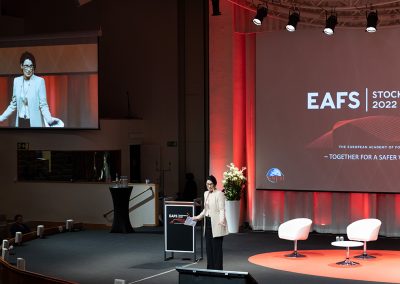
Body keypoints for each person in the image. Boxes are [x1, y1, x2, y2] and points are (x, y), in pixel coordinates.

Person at [0, 51, 61, 127]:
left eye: (31, 66)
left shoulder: (39, 81)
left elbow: (43, 105)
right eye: (26, 66)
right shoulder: (17, 81)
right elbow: (13, 104)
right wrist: (1, 118)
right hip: (20, 122)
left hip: (34, 124)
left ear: (33, 67)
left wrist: (49, 120)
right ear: (21, 66)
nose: (28, 69)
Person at [193, 175, 228, 270]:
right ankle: (210, 269)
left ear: (215, 184)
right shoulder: (206, 194)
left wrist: (221, 220)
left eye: (211, 184)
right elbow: (205, 209)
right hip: (208, 223)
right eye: (207, 184)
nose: (209, 186)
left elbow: (222, 209)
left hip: (217, 224)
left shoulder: (219, 194)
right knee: (209, 248)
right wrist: (198, 217)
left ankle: (218, 270)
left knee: (216, 249)